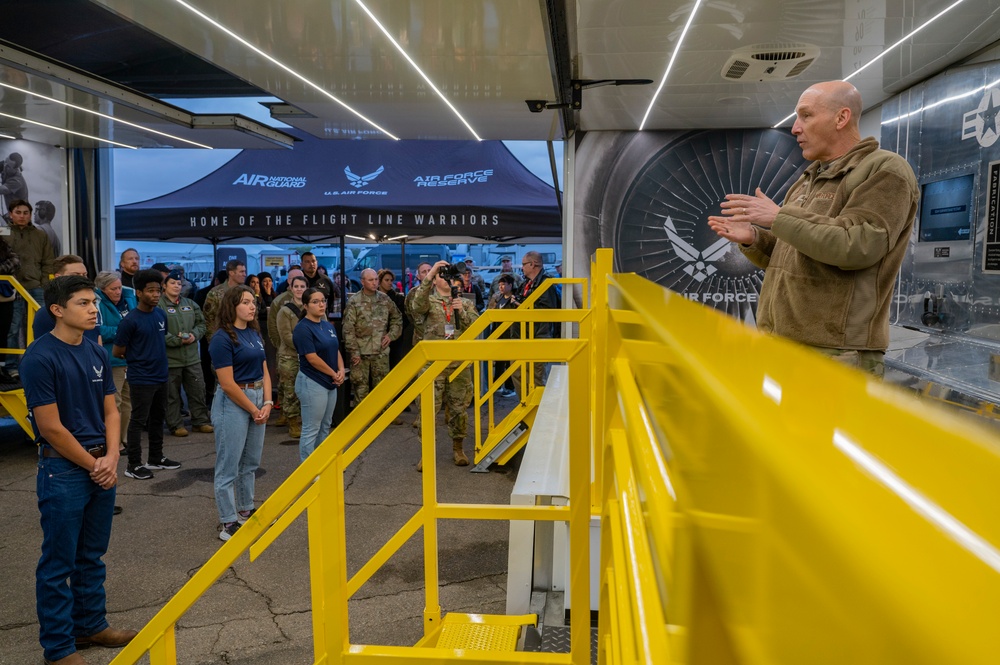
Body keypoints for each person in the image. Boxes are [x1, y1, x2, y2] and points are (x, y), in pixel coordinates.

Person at [707, 80, 919, 378]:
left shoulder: (884, 170)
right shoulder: (808, 179)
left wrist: (780, 218)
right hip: (784, 343)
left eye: (805, 116)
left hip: (836, 353)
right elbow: (797, 253)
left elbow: (857, 246)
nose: (795, 128)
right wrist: (755, 238)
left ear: (841, 118)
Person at [21, 275, 137, 665]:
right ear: (57, 310)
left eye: (93, 302)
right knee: (58, 564)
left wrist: (112, 458)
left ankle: (90, 626)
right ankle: (59, 649)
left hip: (101, 462)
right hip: (64, 471)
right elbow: (51, 428)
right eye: (84, 303)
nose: (93, 309)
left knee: (92, 555)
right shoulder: (39, 357)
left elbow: (111, 409)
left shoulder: (95, 351)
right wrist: (95, 465)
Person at [209, 285, 271, 541]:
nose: (252, 306)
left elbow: (265, 369)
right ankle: (228, 521)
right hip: (234, 401)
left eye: (253, 302)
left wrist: (267, 402)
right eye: (245, 302)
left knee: (251, 462)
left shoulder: (254, 332)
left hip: (257, 396)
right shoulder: (222, 338)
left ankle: (246, 509)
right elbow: (227, 383)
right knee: (229, 465)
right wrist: (254, 407)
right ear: (232, 306)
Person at [409, 260, 479, 469]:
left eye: (449, 277)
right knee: (428, 411)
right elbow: (416, 306)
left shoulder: (465, 303)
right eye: (441, 276)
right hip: (433, 365)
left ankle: (458, 449)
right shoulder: (429, 301)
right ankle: (426, 452)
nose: (446, 279)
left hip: (458, 365)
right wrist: (430, 274)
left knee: (459, 410)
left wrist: (462, 312)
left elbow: (476, 328)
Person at [112, 269, 181, 480]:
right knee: (138, 421)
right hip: (141, 378)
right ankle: (133, 464)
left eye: (158, 290)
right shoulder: (130, 320)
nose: (155, 294)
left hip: (161, 375)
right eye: (150, 291)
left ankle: (156, 458)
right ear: (138, 293)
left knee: (158, 418)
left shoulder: (160, 315)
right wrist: (140, 359)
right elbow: (118, 351)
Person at [293, 287, 345, 462]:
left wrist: (341, 371)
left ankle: (322, 465)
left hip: (331, 382)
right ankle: (308, 471)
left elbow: (334, 349)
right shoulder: (302, 328)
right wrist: (333, 373)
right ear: (306, 305)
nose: (321, 304)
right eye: (315, 302)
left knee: (325, 426)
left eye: (323, 300)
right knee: (311, 428)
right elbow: (312, 358)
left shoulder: (326, 325)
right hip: (313, 382)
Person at [159, 269, 213, 437]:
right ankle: (175, 425)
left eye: (179, 283)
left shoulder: (189, 304)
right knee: (171, 395)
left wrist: (194, 335)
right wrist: (176, 340)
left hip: (191, 358)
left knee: (197, 390)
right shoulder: (159, 306)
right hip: (170, 359)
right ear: (164, 286)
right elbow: (158, 332)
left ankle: (200, 422)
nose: (177, 286)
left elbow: (202, 324)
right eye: (173, 283)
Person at [4, 198, 54, 373]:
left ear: (31, 214)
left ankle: (42, 363)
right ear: (11, 214)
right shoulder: (3, 233)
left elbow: (48, 261)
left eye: (26, 213)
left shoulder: (41, 235)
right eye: (18, 212)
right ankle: (11, 367)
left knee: (42, 324)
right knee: (13, 326)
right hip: (12, 288)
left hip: (36, 286)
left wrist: (44, 284)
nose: (22, 216)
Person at [343, 268, 402, 410]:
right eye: (371, 280)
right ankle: (361, 417)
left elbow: (397, 318)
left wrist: (391, 335)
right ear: (362, 281)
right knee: (360, 387)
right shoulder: (354, 302)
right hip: (361, 352)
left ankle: (386, 414)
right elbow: (348, 329)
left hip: (380, 350)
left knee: (383, 386)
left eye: (376, 279)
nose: (375, 283)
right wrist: (354, 352)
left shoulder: (384, 299)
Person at [95, 271, 135, 455]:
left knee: (128, 402)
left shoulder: (129, 298)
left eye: (119, 287)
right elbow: (98, 330)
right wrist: (124, 329)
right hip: (112, 360)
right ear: (103, 290)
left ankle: (124, 439)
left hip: (131, 359)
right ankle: (114, 441)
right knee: (115, 402)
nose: (118, 291)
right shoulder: (98, 303)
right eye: (113, 289)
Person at [514, 250, 559, 390]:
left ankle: (538, 409)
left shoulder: (546, 283)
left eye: (524, 264)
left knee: (537, 377)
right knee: (518, 372)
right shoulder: (526, 284)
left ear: (532, 264)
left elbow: (548, 309)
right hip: (524, 335)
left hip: (539, 335)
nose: (522, 268)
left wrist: (524, 307)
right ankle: (526, 405)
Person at [267, 268, 304, 425]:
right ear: (289, 283)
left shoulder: (311, 302)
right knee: (286, 385)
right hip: (288, 351)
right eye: (295, 283)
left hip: (306, 354)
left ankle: (293, 415)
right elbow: (273, 328)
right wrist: (279, 345)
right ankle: (287, 415)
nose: (299, 288)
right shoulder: (280, 302)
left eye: (302, 284)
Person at [32, 255, 98, 342]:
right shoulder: (45, 314)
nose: (82, 279)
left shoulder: (92, 308)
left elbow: (97, 337)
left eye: (85, 275)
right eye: (75, 275)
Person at [276, 275, 308, 438]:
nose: (299, 289)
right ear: (291, 288)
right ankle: (293, 422)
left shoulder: (313, 307)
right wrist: (307, 348)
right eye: (296, 286)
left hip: (309, 357)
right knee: (291, 391)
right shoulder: (285, 311)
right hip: (290, 357)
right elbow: (286, 336)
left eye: (303, 286)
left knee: (307, 390)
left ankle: (304, 420)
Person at [488, 273, 519, 398]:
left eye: (503, 285)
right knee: (499, 360)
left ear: (510, 285)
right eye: (499, 285)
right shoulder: (498, 298)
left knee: (509, 362)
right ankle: (498, 384)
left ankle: (510, 387)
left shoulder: (514, 299)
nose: (501, 287)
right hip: (498, 333)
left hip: (510, 334)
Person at [203, 259, 247, 341]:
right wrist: (213, 340)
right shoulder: (215, 293)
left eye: (244, 271)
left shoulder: (248, 292)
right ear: (231, 273)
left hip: (244, 338)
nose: (244, 274)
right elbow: (208, 319)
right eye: (241, 272)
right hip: (223, 338)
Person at [377, 268, 410, 368]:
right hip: (376, 340)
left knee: (394, 364)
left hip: (395, 340)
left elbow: (404, 319)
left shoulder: (398, 298)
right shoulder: (373, 297)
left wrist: (393, 333)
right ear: (380, 281)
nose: (390, 283)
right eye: (386, 280)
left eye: (391, 280)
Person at [0, 236, 19, 384]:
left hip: (5, 298)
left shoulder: (4, 244)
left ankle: (1, 369)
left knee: (3, 333)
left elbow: (15, 263)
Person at [256, 271, 278, 399]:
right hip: (262, 329)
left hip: (272, 331)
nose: (267, 283)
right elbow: (263, 311)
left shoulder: (275, 295)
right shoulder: (258, 297)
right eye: (264, 281)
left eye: (269, 280)